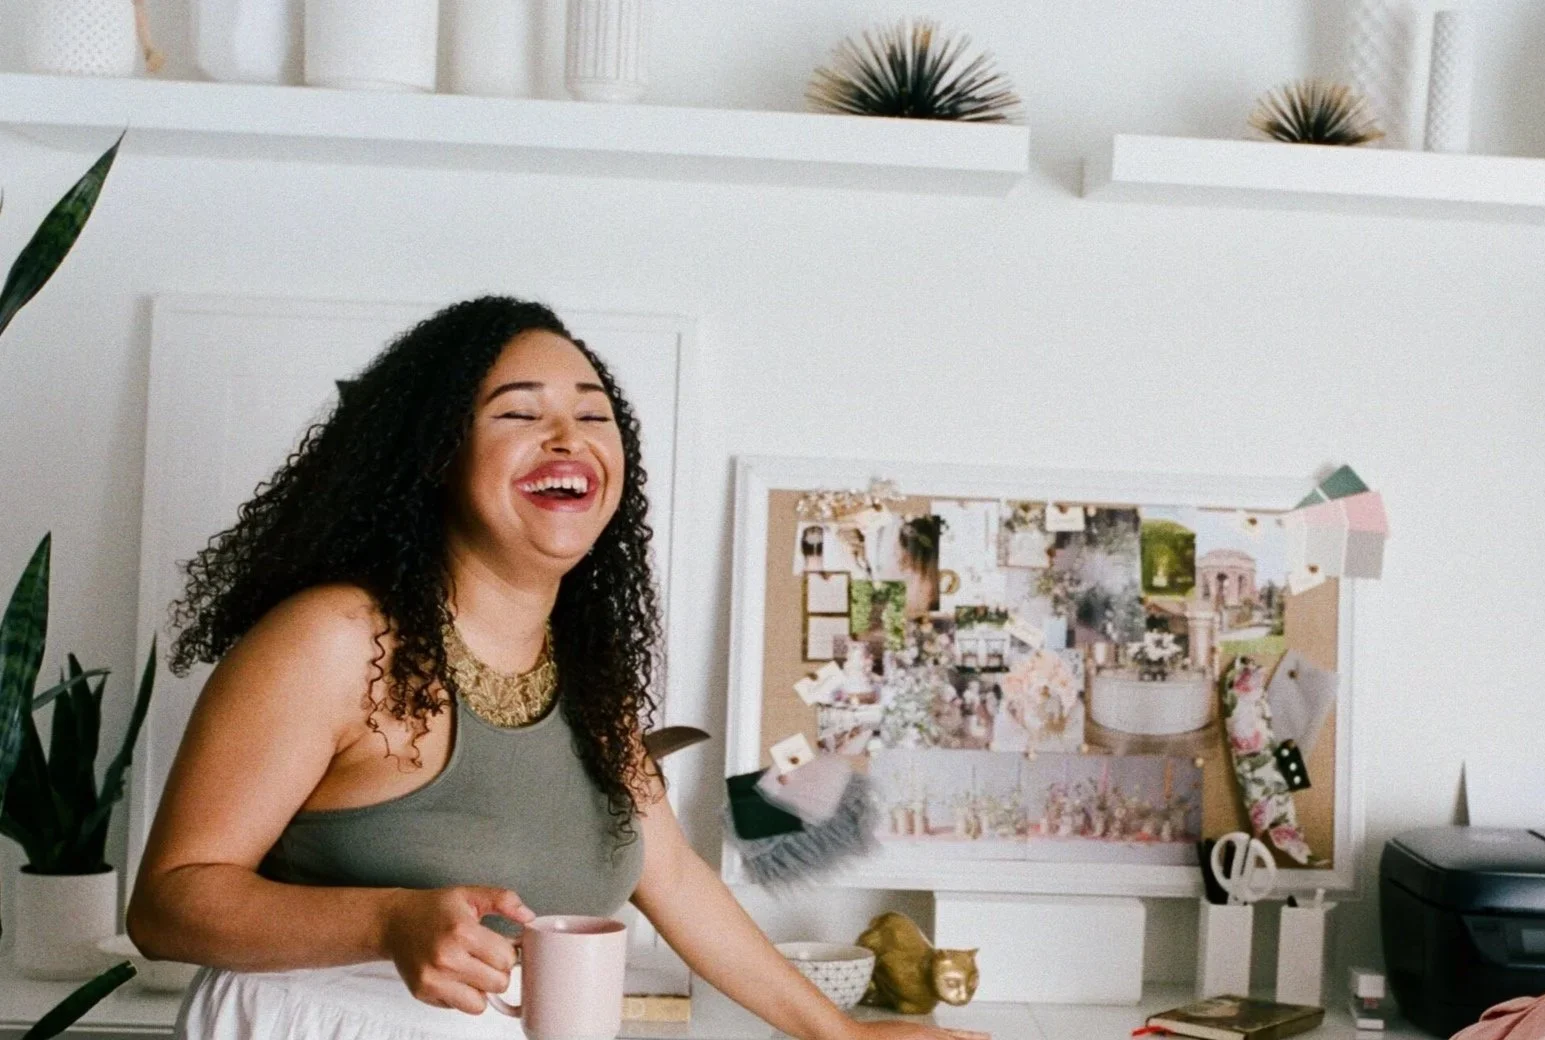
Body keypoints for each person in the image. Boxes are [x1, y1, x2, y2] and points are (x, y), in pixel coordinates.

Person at [125, 297, 960, 1040]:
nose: (568, 438)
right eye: (519, 414)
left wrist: (838, 1037)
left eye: (595, 417)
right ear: (435, 457)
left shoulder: (584, 675)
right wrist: (387, 921)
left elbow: (670, 875)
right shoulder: (336, 640)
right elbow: (166, 905)